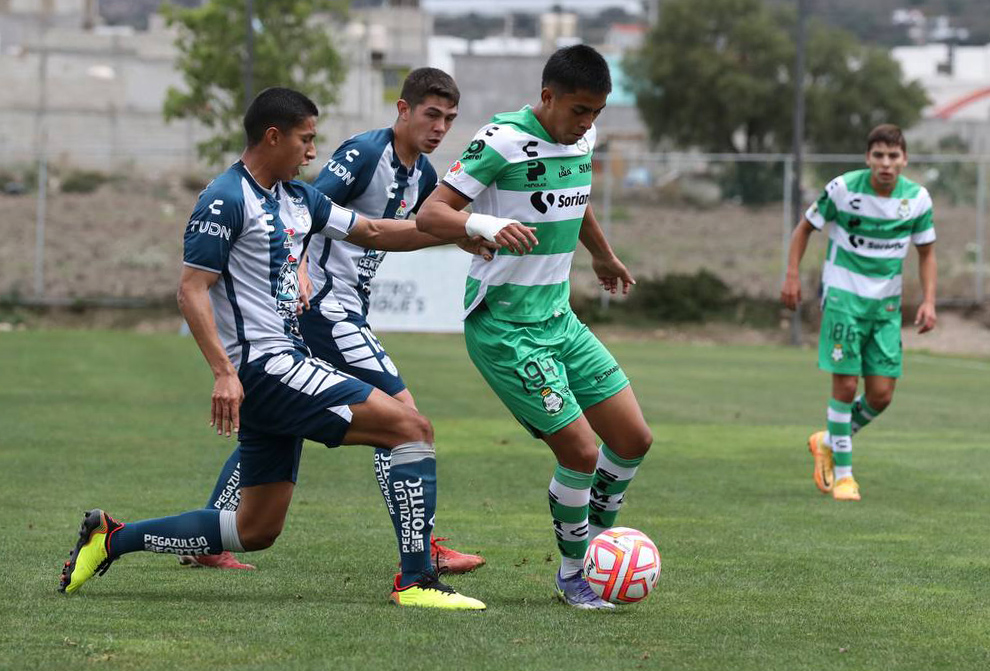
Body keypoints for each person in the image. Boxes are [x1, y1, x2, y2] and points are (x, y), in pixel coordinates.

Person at [58, 87, 486, 610]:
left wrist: (458, 231)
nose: (312, 153)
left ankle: (111, 538)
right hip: (264, 367)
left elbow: (372, 230)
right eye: (306, 140)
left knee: (255, 529)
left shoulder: (298, 198)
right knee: (410, 428)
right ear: (273, 136)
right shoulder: (225, 197)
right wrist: (223, 371)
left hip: (285, 365)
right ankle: (417, 580)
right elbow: (191, 289)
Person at [182, 68, 486, 574]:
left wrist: (460, 234)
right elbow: (300, 206)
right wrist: (295, 268)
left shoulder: (425, 176)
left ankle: (211, 532)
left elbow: (382, 229)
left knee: (281, 420)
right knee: (405, 417)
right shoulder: (363, 153)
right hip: (326, 306)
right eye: (431, 114)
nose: (440, 127)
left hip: (342, 306)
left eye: (449, 119)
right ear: (403, 110)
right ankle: (422, 549)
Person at [415, 45, 653, 610]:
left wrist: (602, 254)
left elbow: (578, 198)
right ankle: (576, 574)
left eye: (596, 112)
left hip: (558, 319)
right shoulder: (500, 140)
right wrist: (485, 222)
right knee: (581, 454)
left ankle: (596, 544)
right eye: (578, 110)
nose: (587, 123)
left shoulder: (582, 137)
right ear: (548, 98)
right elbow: (430, 214)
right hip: (505, 328)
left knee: (633, 440)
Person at [781, 123, 937, 502]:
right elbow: (804, 228)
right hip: (842, 300)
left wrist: (930, 300)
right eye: (879, 155)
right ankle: (845, 477)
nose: (886, 163)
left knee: (881, 394)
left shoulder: (916, 199)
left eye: (893, 156)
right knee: (847, 386)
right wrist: (791, 274)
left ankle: (830, 439)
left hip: (885, 307)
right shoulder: (844, 188)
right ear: (868, 158)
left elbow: (927, 251)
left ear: (904, 159)